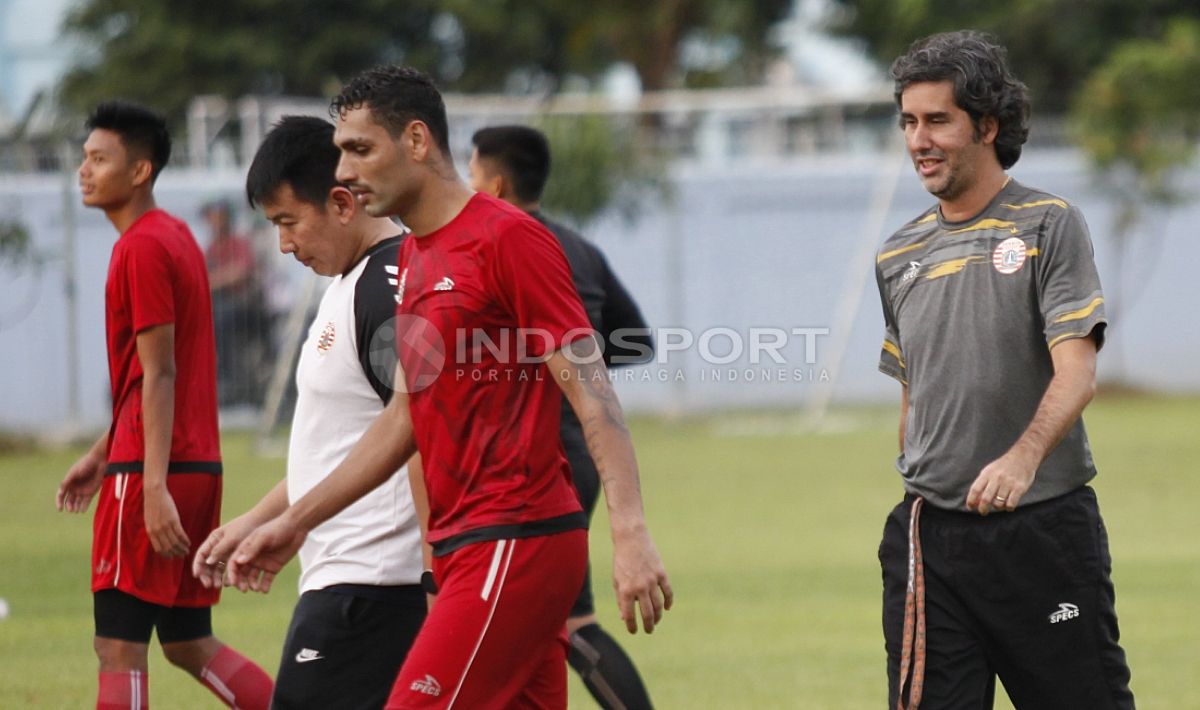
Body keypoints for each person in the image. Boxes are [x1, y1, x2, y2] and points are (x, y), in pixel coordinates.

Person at [218, 65, 673, 709]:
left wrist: (630, 533)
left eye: (359, 149)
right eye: (341, 152)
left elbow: (593, 391)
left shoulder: (509, 238)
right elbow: (406, 417)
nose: (344, 171)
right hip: (467, 549)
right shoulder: (412, 257)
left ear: (416, 141)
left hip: (515, 538)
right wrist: (295, 522)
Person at [874, 31, 1134, 709]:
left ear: (987, 125)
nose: (918, 140)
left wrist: (1020, 459)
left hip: (1042, 533)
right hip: (930, 543)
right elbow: (915, 394)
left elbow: (1077, 371)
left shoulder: (1048, 224)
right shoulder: (897, 254)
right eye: (909, 121)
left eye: (938, 120)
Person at [192, 115, 426, 709]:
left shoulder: (383, 291)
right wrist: (257, 517)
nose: (284, 244)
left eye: (288, 222)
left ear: (342, 203)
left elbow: (421, 433)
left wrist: (433, 578)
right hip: (347, 583)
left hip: (370, 589)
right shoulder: (350, 283)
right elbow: (343, 447)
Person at [55, 101, 272, 710]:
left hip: (158, 470)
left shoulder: (141, 248)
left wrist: (148, 486)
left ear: (141, 170)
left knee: (119, 648)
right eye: (84, 157)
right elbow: (149, 375)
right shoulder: (175, 236)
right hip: (196, 465)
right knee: (187, 641)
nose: (84, 170)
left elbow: (161, 373)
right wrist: (103, 454)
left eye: (100, 159)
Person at [468, 124, 657, 710]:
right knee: (555, 623)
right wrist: (586, 371)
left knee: (568, 625)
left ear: (495, 183)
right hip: (583, 449)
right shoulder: (580, 247)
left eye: (471, 175)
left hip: (537, 458)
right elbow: (638, 341)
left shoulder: (502, 246)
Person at [201, 199, 269, 406]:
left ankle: (228, 377)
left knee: (221, 319)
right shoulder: (211, 248)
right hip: (219, 307)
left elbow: (241, 271)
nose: (214, 221)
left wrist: (213, 282)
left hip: (245, 308)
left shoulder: (238, 242)